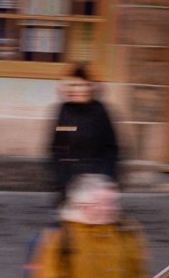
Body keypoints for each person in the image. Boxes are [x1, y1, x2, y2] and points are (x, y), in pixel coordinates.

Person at [48, 64, 120, 200]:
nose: (77, 90)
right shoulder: (64, 111)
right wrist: (61, 181)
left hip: (96, 182)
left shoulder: (100, 111)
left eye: (81, 85)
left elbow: (111, 148)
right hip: (69, 183)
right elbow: (56, 147)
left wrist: (107, 179)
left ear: (89, 87)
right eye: (72, 86)